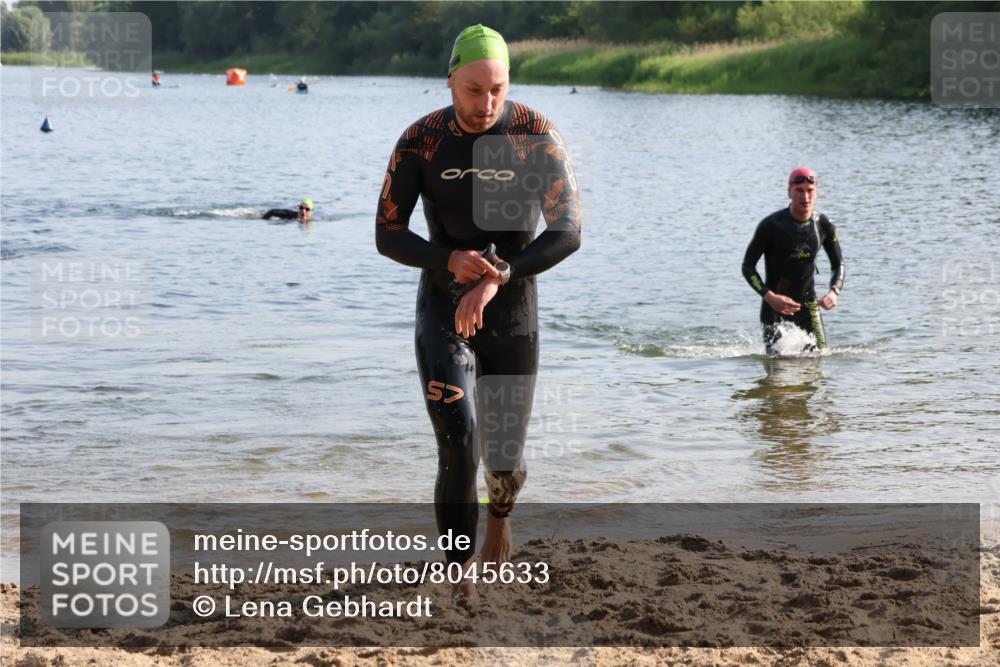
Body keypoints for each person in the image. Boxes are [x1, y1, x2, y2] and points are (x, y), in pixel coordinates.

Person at [375, 24, 582, 607]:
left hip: (513, 311)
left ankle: (500, 518)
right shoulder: (421, 141)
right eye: (472, 89)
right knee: (459, 442)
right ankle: (459, 575)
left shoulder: (535, 134)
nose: (485, 103)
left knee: (504, 455)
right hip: (444, 304)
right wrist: (449, 258)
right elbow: (387, 232)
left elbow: (568, 232)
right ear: (449, 82)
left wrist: (500, 275)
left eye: (496, 89)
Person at [742, 168, 845, 355]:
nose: (805, 197)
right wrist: (769, 296)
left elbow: (838, 265)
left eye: (809, 190)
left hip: (810, 308)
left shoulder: (824, 225)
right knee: (778, 371)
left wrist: (834, 291)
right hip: (774, 308)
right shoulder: (771, 225)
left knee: (819, 360)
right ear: (789, 191)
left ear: (816, 191)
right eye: (799, 190)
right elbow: (747, 267)